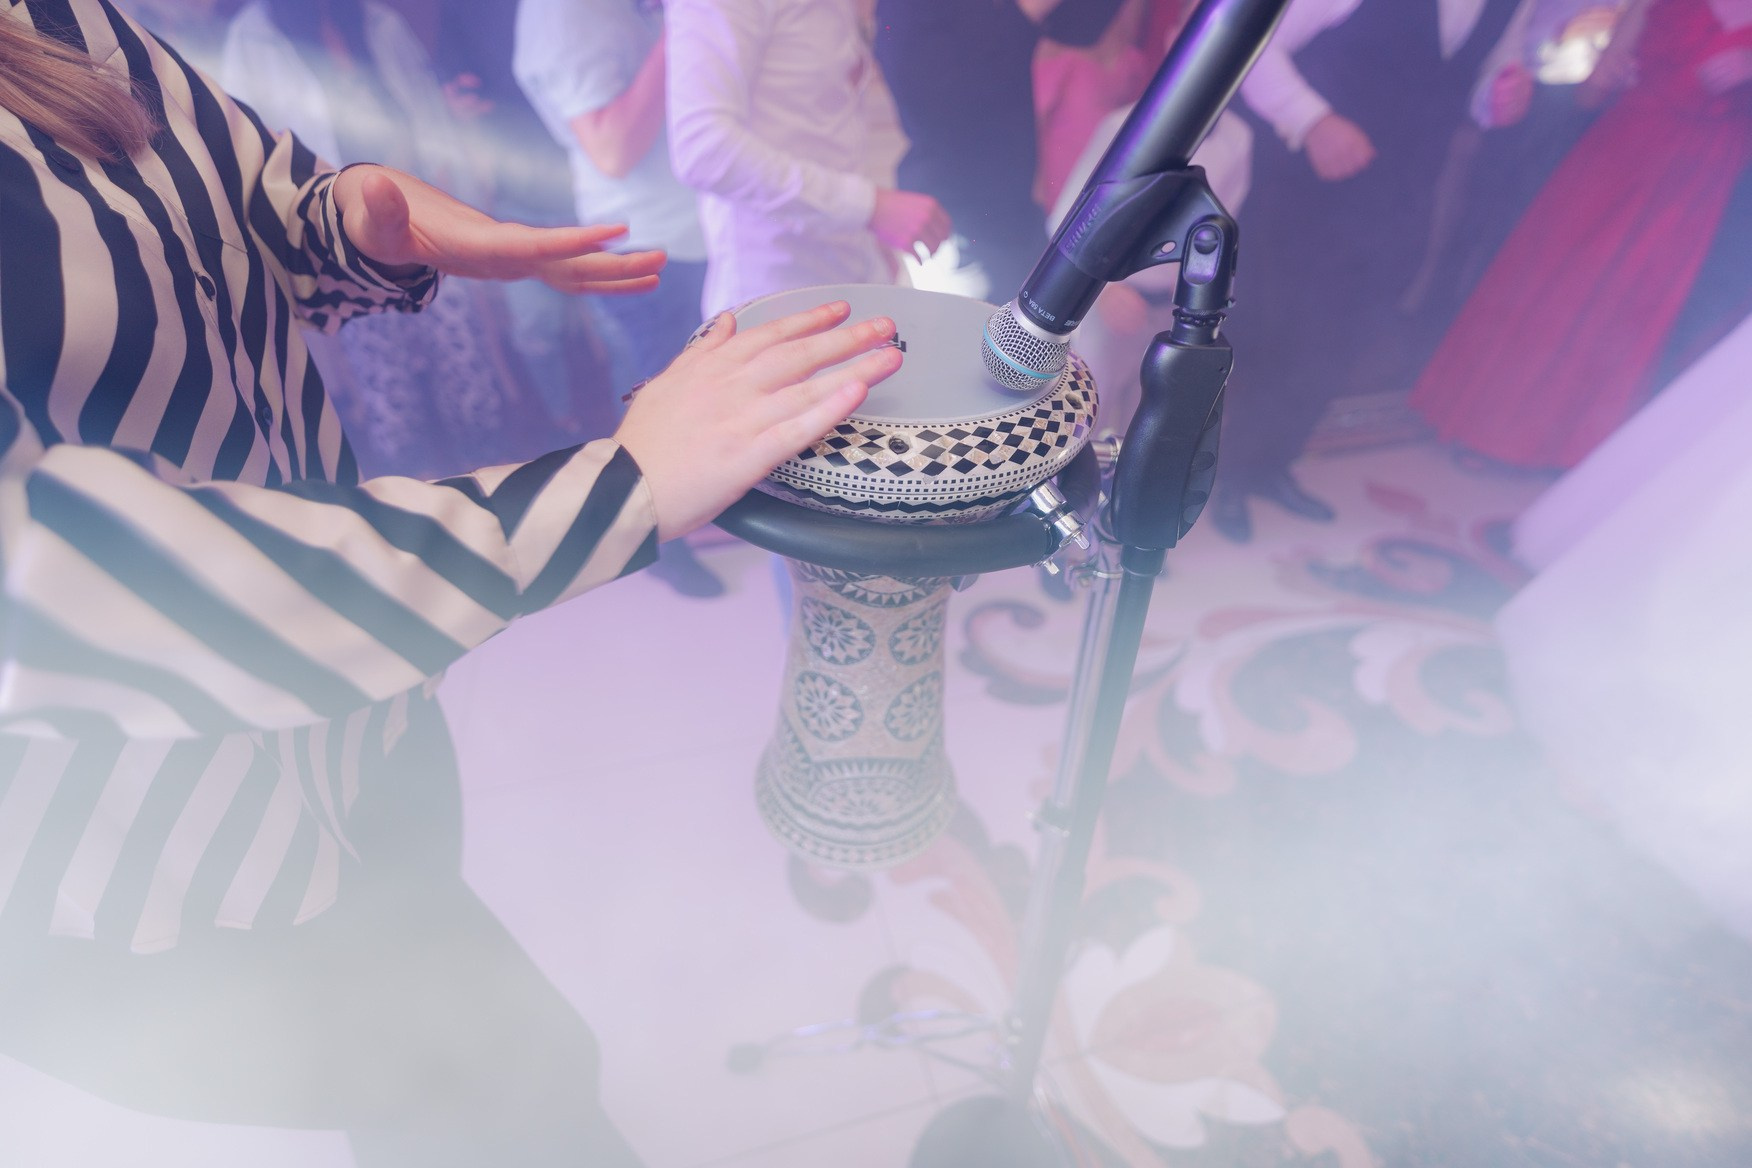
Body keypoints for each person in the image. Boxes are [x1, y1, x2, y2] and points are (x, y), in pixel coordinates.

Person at [0, 3, 903, 1164]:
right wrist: (617, 487)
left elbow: (243, 190)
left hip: (360, 718)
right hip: (145, 862)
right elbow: (46, 574)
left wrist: (351, 221)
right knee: (523, 1085)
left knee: (446, 1089)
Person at [1206, 0, 1523, 543]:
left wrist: (1500, 100)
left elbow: (1480, 85)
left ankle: (1270, 465)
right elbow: (1249, 44)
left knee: (1343, 338)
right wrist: (1311, 118)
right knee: (1271, 330)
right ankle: (1221, 471)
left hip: (1403, 196)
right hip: (1304, 184)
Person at [221, 0, 561, 482]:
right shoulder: (253, 37)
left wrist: (452, 194)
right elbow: (252, 151)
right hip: (341, 245)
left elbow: (427, 112)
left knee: (467, 370)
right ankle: (413, 498)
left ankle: (494, 480)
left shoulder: (375, 19)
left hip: (421, 226)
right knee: (391, 394)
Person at [1409, 0, 1752, 470]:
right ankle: (1488, 426)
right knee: (1557, 282)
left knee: (1632, 307)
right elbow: (1590, 95)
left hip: (1702, 176)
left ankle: (1574, 451)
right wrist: (1604, 75)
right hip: (1625, 143)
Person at [515, 0, 728, 597]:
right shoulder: (565, 13)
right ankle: (657, 547)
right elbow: (611, 147)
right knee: (656, 408)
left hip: (683, 228)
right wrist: (683, 24)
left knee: (683, 397)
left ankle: (676, 529)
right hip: (644, 239)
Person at [666, 0, 951, 318]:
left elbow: (818, 128)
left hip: (853, 271)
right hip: (774, 297)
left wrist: (868, 232)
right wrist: (869, 207)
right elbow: (704, 150)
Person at [874, 0, 1127, 300]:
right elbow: (936, 105)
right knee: (977, 325)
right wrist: (1023, 13)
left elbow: (1082, 29)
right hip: (953, 214)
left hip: (1018, 206)